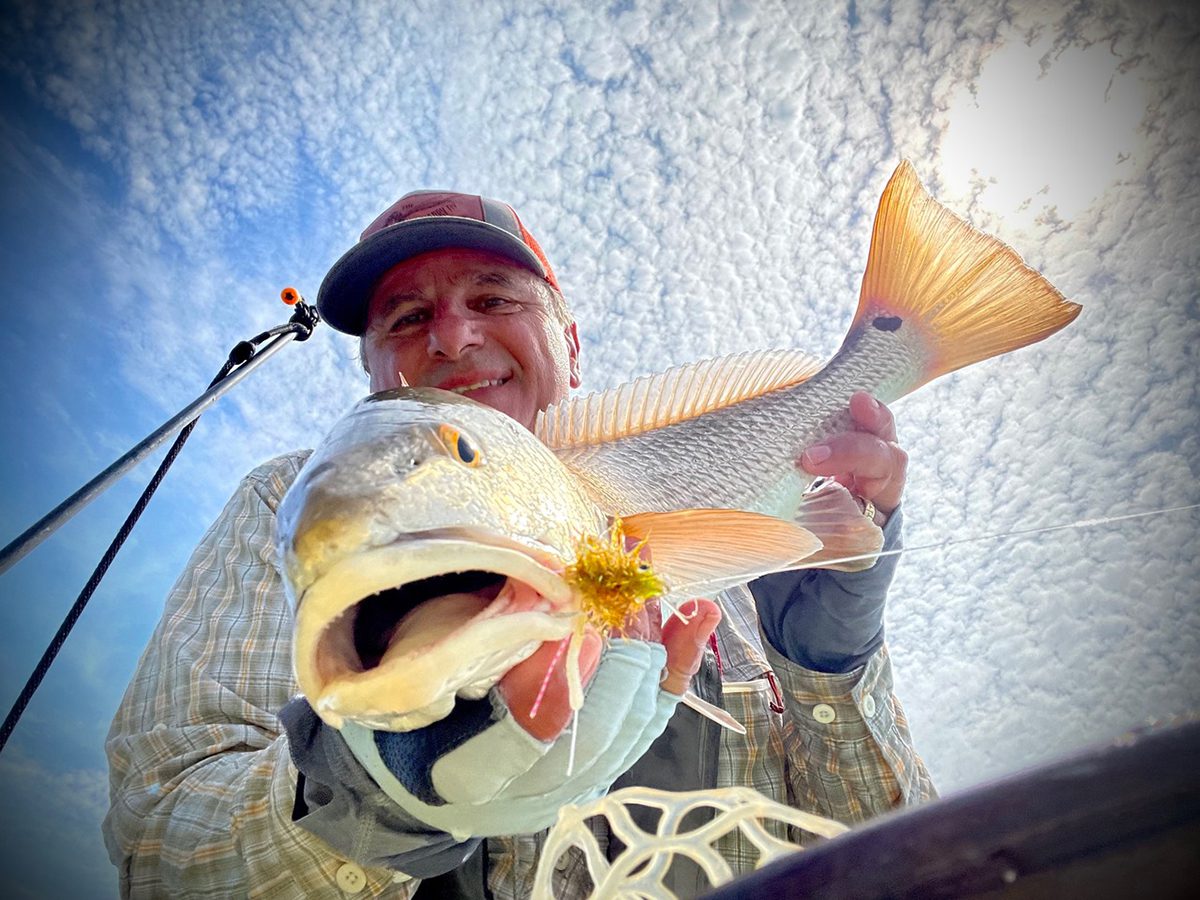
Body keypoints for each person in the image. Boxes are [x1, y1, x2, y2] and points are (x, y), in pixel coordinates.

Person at [104, 191, 935, 898]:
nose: (454, 337)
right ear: (371, 370)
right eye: (407, 316)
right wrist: (368, 806)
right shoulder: (294, 504)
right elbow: (163, 849)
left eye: (495, 299)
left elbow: (895, 860)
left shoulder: (743, 578)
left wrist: (829, 661)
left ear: (568, 347)